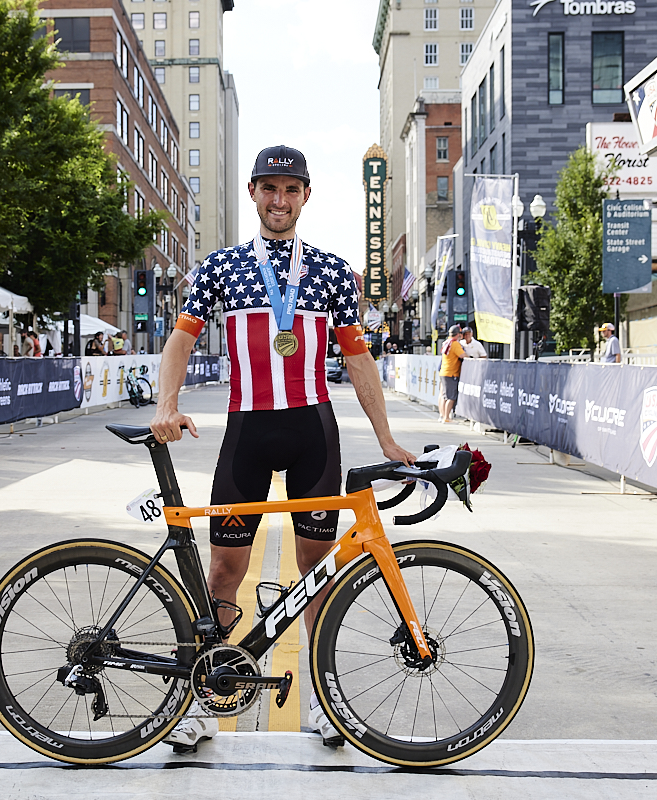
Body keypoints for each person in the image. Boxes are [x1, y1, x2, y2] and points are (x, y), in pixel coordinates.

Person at [150, 145, 415, 751]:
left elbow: (357, 357)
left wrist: (385, 436)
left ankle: (323, 702)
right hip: (246, 431)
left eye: (291, 189)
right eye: (269, 188)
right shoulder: (220, 268)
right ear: (253, 193)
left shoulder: (331, 270)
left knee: (317, 575)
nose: (279, 199)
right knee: (224, 570)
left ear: (305, 196)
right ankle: (203, 702)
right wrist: (166, 404)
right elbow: (180, 341)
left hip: (311, 433)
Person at [437, 325, 465, 423]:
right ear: (458, 334)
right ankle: (447, 417)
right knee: (451, 397)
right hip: (451, 373)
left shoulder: (446, 342)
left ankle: (442, 415)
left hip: (444, 371)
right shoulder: (455, 344)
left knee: (444, 395)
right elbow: (462, 355)